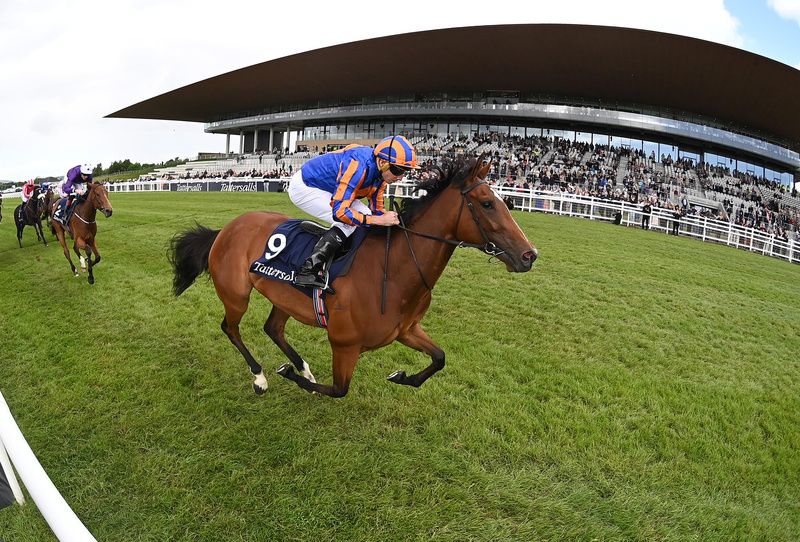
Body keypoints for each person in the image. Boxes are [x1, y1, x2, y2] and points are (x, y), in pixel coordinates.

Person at [287, 135, 419, 289]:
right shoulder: (358, 166)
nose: (401, 177)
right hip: (305, 186)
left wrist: (390, 220)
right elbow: (340, 212)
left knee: (365, 213)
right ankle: (308, 270)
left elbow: (376, 210)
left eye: (406, 171)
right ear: (382, 162)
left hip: (328, 187)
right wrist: (379, 220)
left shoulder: (381, 172)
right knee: (348, 222)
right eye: (398, 170)